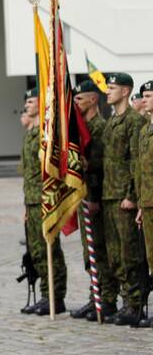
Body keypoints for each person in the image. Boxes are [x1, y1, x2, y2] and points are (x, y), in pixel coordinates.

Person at [101, 73, 146, 325]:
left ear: (126, 91)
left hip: (123, 198)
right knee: (114, 254)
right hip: (109, 194)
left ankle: (135, 303)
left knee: (130, 253)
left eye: (112, 88)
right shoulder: (111, 121)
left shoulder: (133, 122)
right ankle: (123, 300)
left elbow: (135, 162)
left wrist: (132, 195)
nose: (107, 91)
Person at [20, 87, 66, 315]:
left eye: (31, 101)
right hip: (32, 200)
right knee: (37, 251)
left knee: (50, 248)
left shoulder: (45, 135)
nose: (27, 105)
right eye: (26, 101)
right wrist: (26, 205)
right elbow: (28, 173)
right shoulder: (31, 133)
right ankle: (46, 293)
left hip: (45, 198)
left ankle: (56, 296)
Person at [70, 81, 113, 320]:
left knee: (100, 249)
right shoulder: (81, 127)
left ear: (93, 100)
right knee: (90, 251)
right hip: (85, 196)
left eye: (79, 100)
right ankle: (94, 296)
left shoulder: (99, 128)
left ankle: (106, 299)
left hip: (97, 197)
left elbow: (102, 168)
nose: (76, 104)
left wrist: (94, 198)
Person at [134, 80, 153, 327]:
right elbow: (140, 171)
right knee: (151, 258)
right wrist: (140, 203)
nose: (145, 99)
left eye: (149, 95)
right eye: (144, 96)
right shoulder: (144, 130)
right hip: (148, 203)